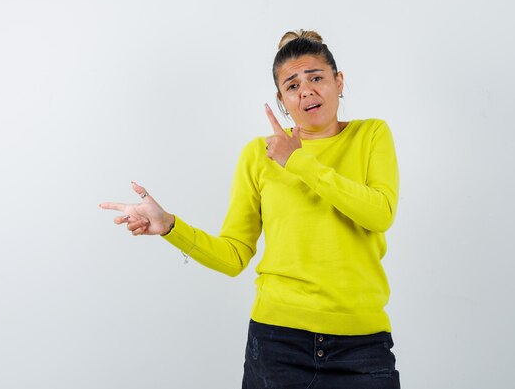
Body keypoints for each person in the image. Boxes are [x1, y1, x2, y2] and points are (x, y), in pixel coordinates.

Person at [99, 29, 401, 389]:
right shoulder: (258, 154)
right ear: (281, 100)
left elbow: (379, 213)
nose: (306, 90)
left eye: (316, 77)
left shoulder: (371, 136)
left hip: (362, 346)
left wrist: (299, 162)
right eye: (292, 85)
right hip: (278, 342)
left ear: (339, 82)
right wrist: (169, 226)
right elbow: (233, 255)